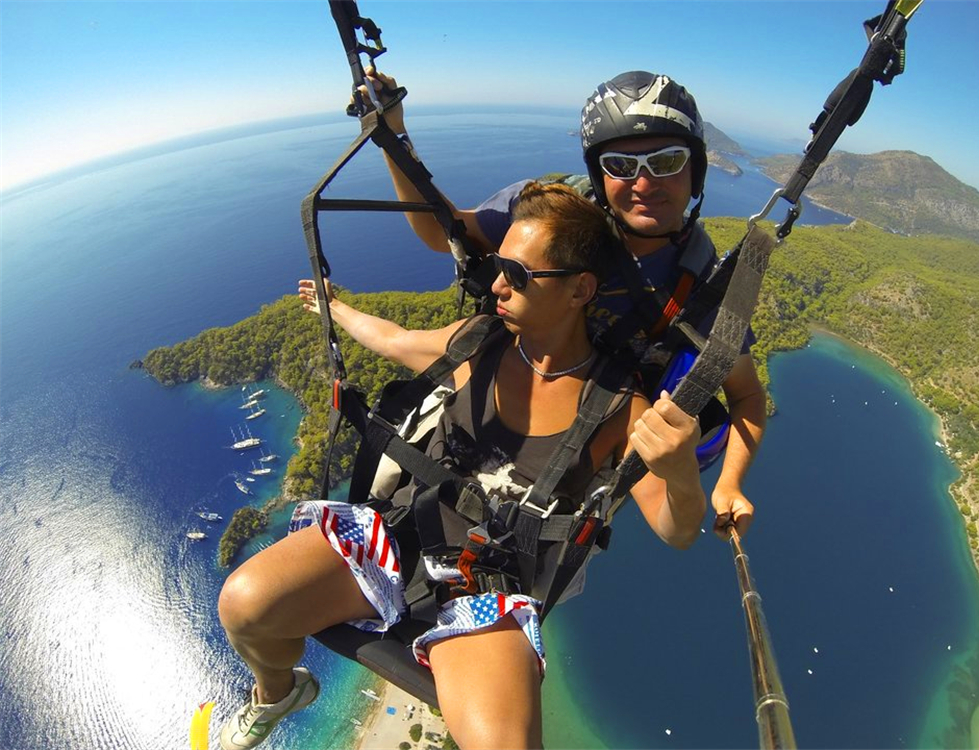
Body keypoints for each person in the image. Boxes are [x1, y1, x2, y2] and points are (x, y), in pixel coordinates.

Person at [217, 183, 706, 750]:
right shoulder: (482, 342)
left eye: (519, 276)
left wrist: (679, 472)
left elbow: (677, 530)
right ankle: (277, 693)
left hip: (486, 587)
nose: (498, 284)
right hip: (398, 535)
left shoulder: (618, 407)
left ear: (580, 290)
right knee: (245, 606)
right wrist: (336, 305)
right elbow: (397, 341)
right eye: (500, 267)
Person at [362, 68, 766, 540]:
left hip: (584, 445)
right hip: (493, 399)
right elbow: (442, 231)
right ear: (598, 173)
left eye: (666, 160)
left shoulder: (703, 290)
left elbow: (746, 395)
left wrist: (729, 482)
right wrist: (393, 134)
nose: (644, 182)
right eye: (620, 165)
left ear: (694, 169)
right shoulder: (550, 216)